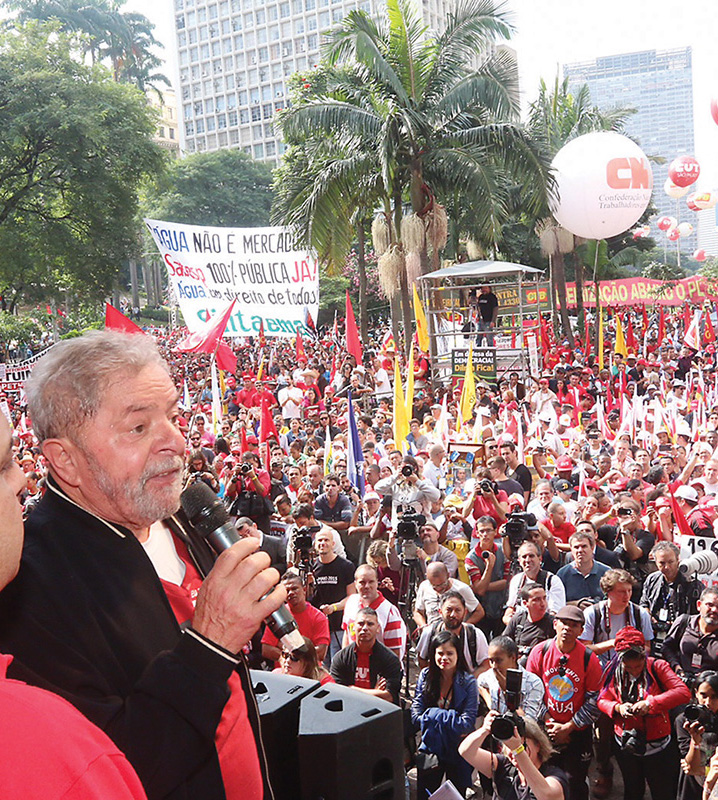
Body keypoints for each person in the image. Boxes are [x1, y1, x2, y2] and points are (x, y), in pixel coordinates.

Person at [0, 331, 288, 800]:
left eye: (173, 415)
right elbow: (113, 773)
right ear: (65, 461)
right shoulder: (28, 587)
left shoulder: (177, 510)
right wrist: (211, 643)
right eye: (138, 428)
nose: (176, 441)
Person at [0, 415, 148, 798]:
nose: (20, 480)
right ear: (64, 459)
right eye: (2, 465)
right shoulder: (47, 746)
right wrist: (211, 642)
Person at [597, 626, 690, 800]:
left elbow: (683, 692)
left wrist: (651, 703)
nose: (634, 670)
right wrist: (618, 708)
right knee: (632, 790)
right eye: (628, 667)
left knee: (663, 791)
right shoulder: (612, 669)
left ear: (644, 656)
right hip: (626, 744)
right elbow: (601, 699)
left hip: (658, 746)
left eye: (638, 666)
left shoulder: (658, 666)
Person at [525, 605, 603, 800]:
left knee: (575, 781)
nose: (567, 629)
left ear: (581, 630)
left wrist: (570, 726)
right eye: (564, 623)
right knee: (543, 780)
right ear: (555, 624)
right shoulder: (539, 652)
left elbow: (595, 699)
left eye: (574, 625)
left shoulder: (589, 659)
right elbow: (530, 692)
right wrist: (549, 721)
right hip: (544, 729)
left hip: (577, 732)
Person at [411, 630, 478, 798]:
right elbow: (415, 717)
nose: (444, 658)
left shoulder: (468, 682)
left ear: (458, 654)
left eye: (450, 653)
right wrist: (449, 718)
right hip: (431, 746)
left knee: (455, 795)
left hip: (457, 750)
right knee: (426, 795)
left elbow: (467, 723)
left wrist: (433, 714)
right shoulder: (426, 676)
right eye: (440, 653)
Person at [460, 712, 569, 800]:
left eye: (522, 745)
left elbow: (547, 796)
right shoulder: (503, 766)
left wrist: (518, 750)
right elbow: (466, 751)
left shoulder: (554, 776)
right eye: (509, 745)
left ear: (538, 746)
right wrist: (485, 730)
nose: (514, 752)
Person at [641, 541, 703, 656]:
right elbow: (644, 603)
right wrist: (648, 616)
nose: (667, 567)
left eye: (671, 562)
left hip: (681, 638)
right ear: (655, 562)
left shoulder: (692, 584)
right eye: (662, 563)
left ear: (678, 559)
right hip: (654, 634)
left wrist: (678, 624)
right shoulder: (652, 579)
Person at [330, 606, 402, 704]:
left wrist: (350, 689)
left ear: (378, 628)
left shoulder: (390, 659)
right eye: (361, 623)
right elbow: (338, 693)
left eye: (370, 624)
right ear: (353, 627)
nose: (365, 628)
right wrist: (375, 693)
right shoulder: (340, 658)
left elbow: (390, 696)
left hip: (379, 712)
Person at [261, 570, 330, 664]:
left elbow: (321, 652)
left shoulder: (319, 617)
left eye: (295, 589)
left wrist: (284, 647)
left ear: (304, 589)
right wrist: (290, 658)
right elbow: (266, 649)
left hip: (310, 674)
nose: (291, 593)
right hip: (284, 672)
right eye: (287, 591)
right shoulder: (277, 615)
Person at [310, 527, 356, 666]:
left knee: (338, 665)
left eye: (326, 540)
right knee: (321, 666)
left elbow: (352, 597)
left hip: (338, 626)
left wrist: (334, 607)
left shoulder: (345, 566)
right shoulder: (311, 568)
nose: (322, 543)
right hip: (318, 628)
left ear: (333, 544)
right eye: (320, 540)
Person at [416, 589, 490, 676]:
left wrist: (467, 683)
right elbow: (422, 659)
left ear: (465, 612)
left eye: (458, 610)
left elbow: (485, 665)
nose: (453, 615)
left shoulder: (475, 635)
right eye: (449, 610)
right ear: (440, 612)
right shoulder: (430, 632)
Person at [341, 564, 407, 660]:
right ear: (355, 584)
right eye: (362, 582)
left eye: (371, 582)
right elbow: (347, 636)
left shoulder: (390, 612)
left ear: (377, 583)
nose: (367, 586)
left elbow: (395, 653)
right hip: (353, 669)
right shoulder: (351, 602)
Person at [478, 636, 546, 721]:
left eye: (499, 660)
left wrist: (507, 692)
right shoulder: (489, 676)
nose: (494, 666)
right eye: (491, 661)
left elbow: (528, 722)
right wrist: (490, 704)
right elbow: (480, 683)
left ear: (513, 658)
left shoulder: (533, 683)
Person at [676, 670, 718, 800]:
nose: (707, 702)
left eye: (714, 696)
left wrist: (703, 771)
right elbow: (690, 767)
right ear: (696, 694)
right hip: (692, 785)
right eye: (703, 695)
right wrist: (695, 741)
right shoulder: (684, 720)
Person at [662, 587, 718, 683]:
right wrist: (676, 667)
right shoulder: (684, 622)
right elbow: (666, 647)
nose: (714, 610)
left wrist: (708, 679)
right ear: (699, 605)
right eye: (710, 605)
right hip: (678, 685)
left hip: (708, 693)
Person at [503, 541, 566, 623]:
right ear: (519, 560)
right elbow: (510, 608)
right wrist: (508, 619)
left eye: (531, 556)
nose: (528, 560)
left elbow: (555, 615)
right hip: (519, 626)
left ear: (540, 558)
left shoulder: (552, 581)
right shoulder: (516, 580)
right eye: (524, 556)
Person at [413, 561, 484, 631]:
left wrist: (463, 627)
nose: (439, 589)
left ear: (448, 575)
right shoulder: (424, 586)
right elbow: (418, 612)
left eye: (442, 585)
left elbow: (479, 612)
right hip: (433, 633)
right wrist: (424, 626)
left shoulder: (462, 589)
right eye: (434, 586)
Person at [503, 583, 556, 665]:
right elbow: (503, 644)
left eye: (544, 598)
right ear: (525, 603)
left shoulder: (553, 624)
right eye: (537, 600)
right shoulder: (518, 620)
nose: (543, 604)